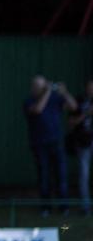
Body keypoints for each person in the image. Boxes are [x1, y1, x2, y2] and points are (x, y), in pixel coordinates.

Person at [24, 75, 77, 215]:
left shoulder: (55, 99)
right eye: (38, 86)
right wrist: (47, 91)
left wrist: (64, 92)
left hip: (57, 143)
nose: (40, 89)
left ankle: (64, 206)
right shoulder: (29, 101)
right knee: (44, 176)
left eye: (42, 86)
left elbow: (73, 106)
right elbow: (38, 109)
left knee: (61, 175)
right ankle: (45, 207)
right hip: (39, 144)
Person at [68, 79, 93, 215]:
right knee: (84, 174)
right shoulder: (79, 101)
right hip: (84, 142)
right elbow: (71, 122)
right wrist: (86, 114)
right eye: (89, 87)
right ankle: (86, 206)